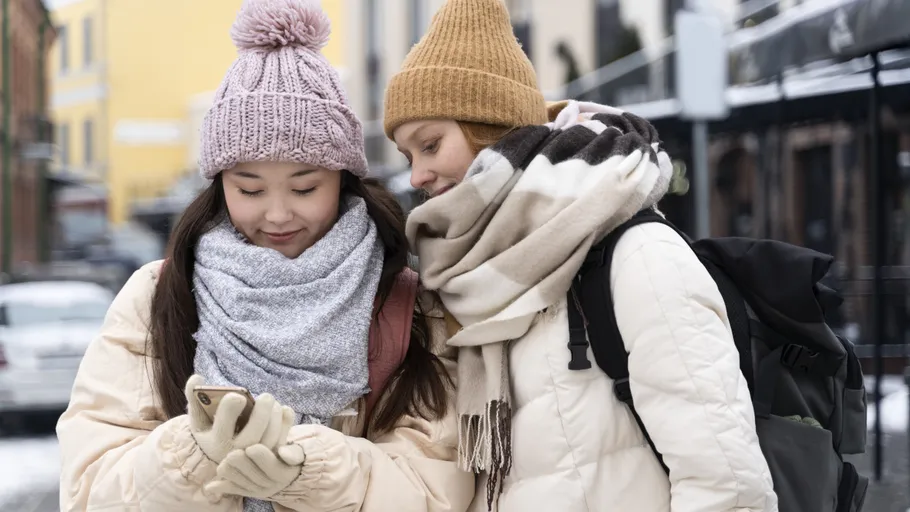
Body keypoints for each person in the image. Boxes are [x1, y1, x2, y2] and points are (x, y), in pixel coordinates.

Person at [57, 1, 474, 511]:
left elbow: (438, 489)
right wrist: (192, 454)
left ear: (344, 182)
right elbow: (89, 491)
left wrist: (312, 472)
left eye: (304, 187)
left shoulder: (407, 302)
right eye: (249, 189)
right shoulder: (158, 296)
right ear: (218, 184)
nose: (277, 215)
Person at [383, 0, 778, 511]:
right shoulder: (459, 283)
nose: (416, 176)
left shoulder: (636, 255)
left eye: (430, 145)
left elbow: (727, 486)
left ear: (487, 124)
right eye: (407, 156)